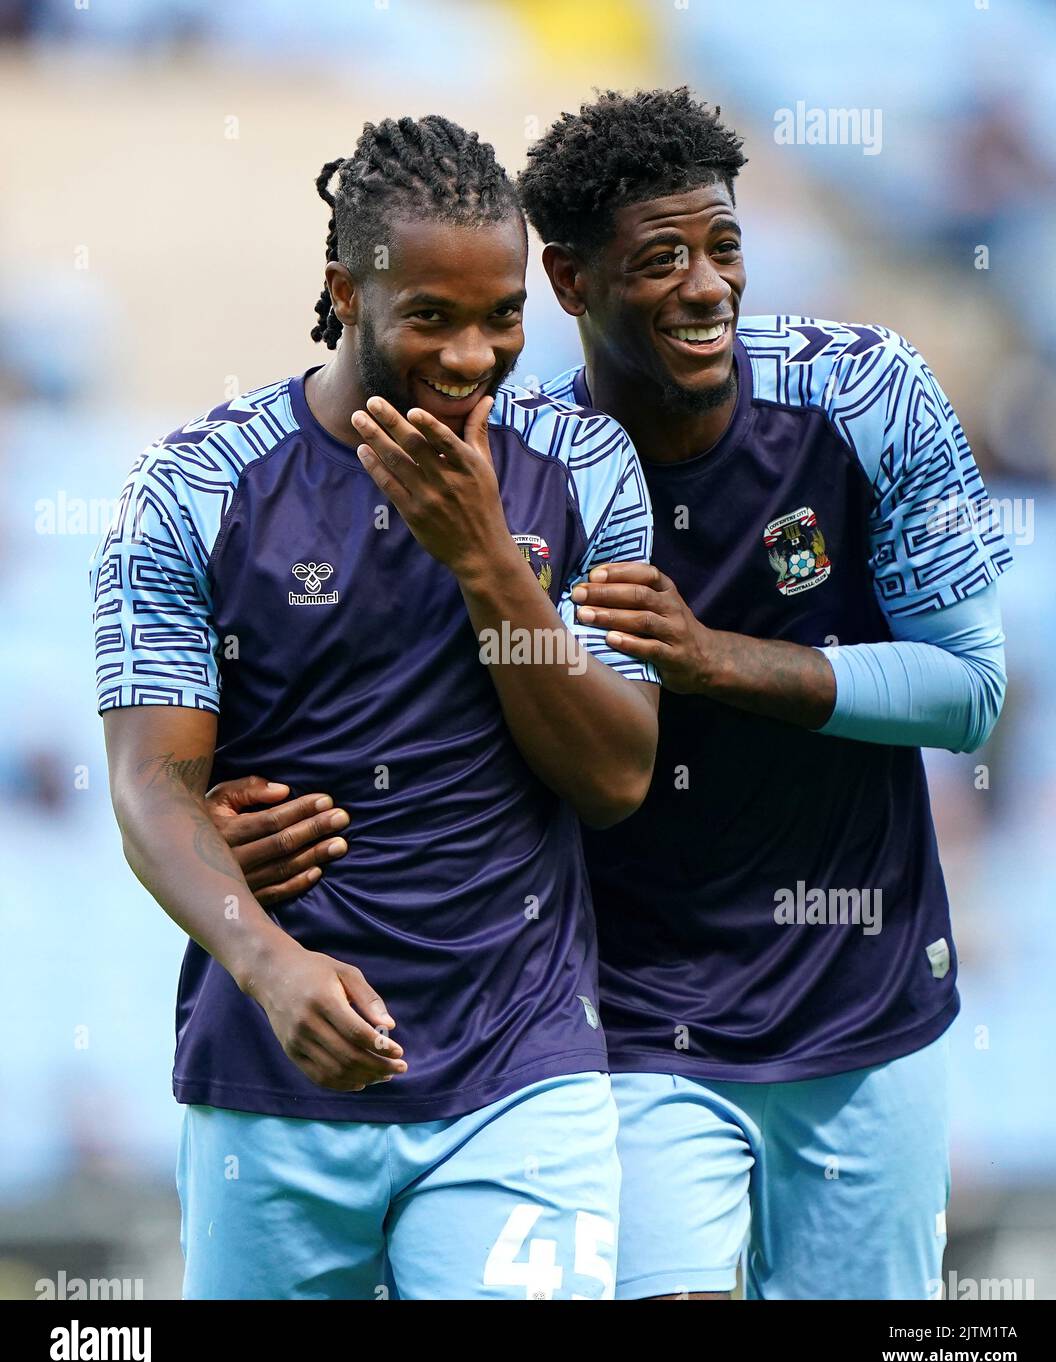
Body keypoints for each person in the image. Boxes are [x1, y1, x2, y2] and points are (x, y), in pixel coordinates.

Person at [91, 114, 659, 1300]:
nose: (471, 355)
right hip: (279, 1071)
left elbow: (614, 777)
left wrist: (488, 561)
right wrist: (267, 960)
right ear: (345, 293)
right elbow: (152, 783)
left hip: (521, 1067)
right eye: (432, 318)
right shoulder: (197, 488)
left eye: (501, 315)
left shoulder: (584, 464)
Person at [517, 87, 1011, 1300]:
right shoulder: (521, 466)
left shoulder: (867, 394)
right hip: (636, 1015)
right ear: (570, 282)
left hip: (865, 997)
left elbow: (967, 691)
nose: (706, 287)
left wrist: (712, 658)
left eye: (723, 246)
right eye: (661, 260)